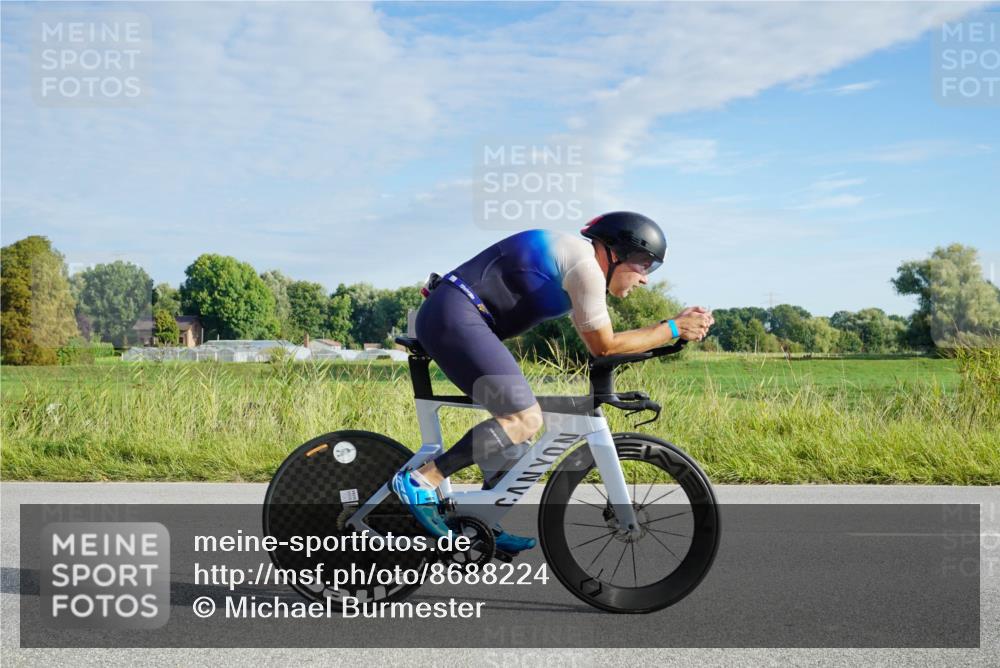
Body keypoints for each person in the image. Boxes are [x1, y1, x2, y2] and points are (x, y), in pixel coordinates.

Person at [392, 212, 714, 554]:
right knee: (523, 417)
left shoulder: (576, 266)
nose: (646, 278)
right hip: (454, 317)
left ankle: (479, 517)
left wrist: (671, 329)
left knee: (519, 432)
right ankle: (421, 481)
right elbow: (604, 345)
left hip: (458, 316)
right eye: (644, 264)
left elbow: (602, 346)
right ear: (616, 253)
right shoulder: (585, 268)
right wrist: (675, 329)